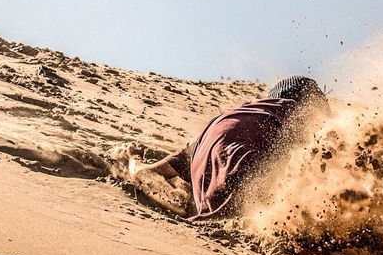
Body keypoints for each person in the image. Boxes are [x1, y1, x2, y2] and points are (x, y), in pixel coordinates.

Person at [128, 76, 326, 219]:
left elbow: (149, 173)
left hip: (214, 207)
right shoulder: (289, 114)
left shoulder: (222, 124)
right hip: (247, 208)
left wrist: (133, 161)